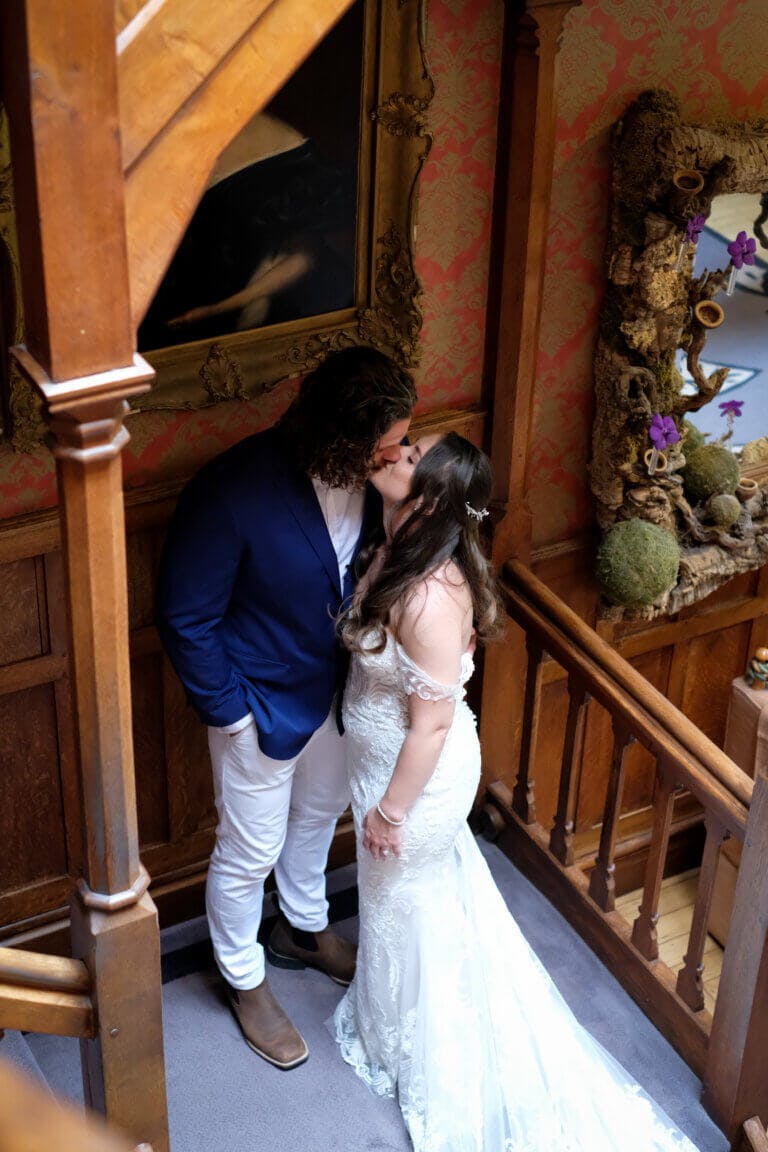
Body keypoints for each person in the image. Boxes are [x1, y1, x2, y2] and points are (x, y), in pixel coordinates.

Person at [330, 431, 701, 1152]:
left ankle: (424, 1047)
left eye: (413, 455)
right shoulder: (401, 545)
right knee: (403, 901)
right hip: (385, 767)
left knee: (402, 897)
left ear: (430, 498)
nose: (395, 453)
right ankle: (390, 1019)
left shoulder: (430, 597)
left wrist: (391, 812)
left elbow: (432, 726)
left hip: (415, 786)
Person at [156, 346, 416, 1071]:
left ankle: (303, 929)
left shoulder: (376, 482)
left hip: (341, 694)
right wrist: (231, 716)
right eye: (386, 444)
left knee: (319, 817)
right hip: (259, 706)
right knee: (249, 851)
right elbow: (185, 616)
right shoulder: (232, 488)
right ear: (341, 436)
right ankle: (243, 977)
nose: (397, 456)